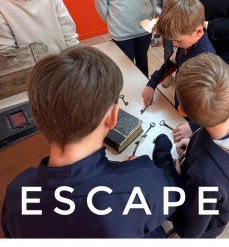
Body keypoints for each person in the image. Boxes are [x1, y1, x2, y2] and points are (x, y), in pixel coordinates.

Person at [1, 46, 180, 238]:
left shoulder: (16, 194)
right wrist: (161, 150)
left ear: (36, 119)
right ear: (112, 117)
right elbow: (173, 197)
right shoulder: (142, 184)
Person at [153, 53, 229, 238]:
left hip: (205, 225)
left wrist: (165, 160)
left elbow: (189, 230)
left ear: (182, 111)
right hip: (210, 190)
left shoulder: (205, 176)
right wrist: (195, 143)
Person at [141, 0, 215, 110]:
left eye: (178, 40)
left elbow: (206, 105)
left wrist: (188, 120)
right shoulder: (186, 43)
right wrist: (152, 83)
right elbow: (171, 62)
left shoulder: (207, 62)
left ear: (198, 32)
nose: (174, 44)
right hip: (180, 100)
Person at [155, 0, 190, 88]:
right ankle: (168, 74)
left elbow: (190, 5)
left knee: (183, 51)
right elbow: (157, 5)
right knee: (168, 51)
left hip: (183, 27)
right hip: (168, 27)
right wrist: (162, 13)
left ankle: (181, 74)